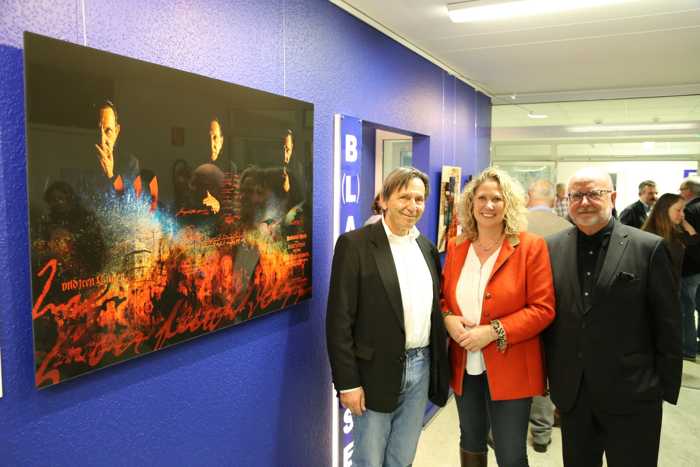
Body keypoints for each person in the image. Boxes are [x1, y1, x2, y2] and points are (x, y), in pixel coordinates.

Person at [545, 168, 682, 467]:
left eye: (594, 193)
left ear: (613, 197)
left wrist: (664, 387)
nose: (584, 202)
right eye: (577, 195)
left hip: (633, 393)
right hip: (574, 394)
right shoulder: (551, 248)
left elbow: (669, 324)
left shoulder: (648, 247)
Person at [326, 167, 449, 467]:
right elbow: (338, 320)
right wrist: (348, 383)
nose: (413, 206)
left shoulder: (426, 248)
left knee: (402, 457)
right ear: (384, 200)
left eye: (419, 199)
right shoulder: (355, 245)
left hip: (420, 368)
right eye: (404, 196)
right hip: (372, 372)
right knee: (369, 458)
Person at [441, 167, 555, 467]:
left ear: (509, 204)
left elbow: (543, 309)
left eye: (497, 198)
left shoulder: (531, 247)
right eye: (481, 198)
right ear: (470, 203)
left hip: (512, 365)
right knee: (471, 441)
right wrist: (447, 318)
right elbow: (443, 299)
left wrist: (493, 331)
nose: (488, 205)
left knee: (510, 451)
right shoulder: (456, 247)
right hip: (465, 365)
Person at [523, 179, 572, 453]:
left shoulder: (516, 226)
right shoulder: (569, 229)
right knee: (546, 371)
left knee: (517, 370)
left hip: (519, 311)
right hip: (558, 312)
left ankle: (505, 429)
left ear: (530, 196)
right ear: (554, 200)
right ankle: (541, 433)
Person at [641, 193, 700, 285]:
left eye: (683, 210)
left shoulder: (674, 232)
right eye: (678, 210)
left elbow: (694, 238)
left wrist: (682, 220)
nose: (682, 214)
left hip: (673, 286)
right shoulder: (651, 234)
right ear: (664, 210)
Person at [94, 100, 139, 194]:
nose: (102, 140)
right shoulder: (77, 159)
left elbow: (125, 203)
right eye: (97, 130)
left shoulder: (130, 164)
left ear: (116, 132)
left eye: (108, 131)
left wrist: (110, 175)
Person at [679, 175, 700, 361]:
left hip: (690, 267)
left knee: (686, 308)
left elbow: (689, 239)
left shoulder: (689, 211)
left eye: (681, 189)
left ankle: (689, 348)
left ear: (688, 191)